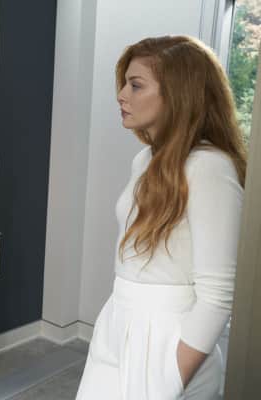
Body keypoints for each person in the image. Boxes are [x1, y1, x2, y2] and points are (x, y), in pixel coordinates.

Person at [76, 36, 247, 399]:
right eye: (124, 84)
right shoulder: (144, 160)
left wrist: (169, 379)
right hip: (118, 322)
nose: (121, 95)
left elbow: (217, 296)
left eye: (136, 85)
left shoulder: (209, 168)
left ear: (178, 94)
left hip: (169, 339)